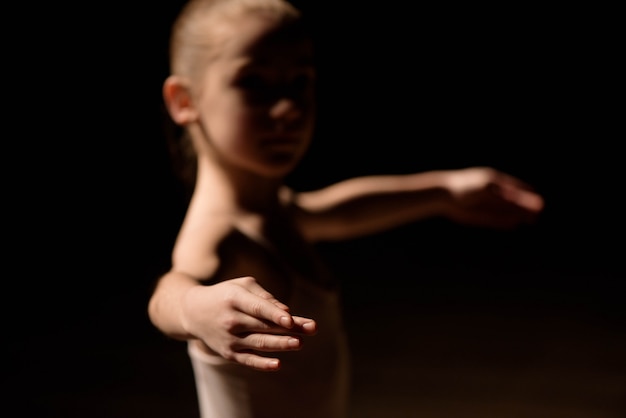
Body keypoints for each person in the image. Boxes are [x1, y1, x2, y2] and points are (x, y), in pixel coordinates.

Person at [147, 0, 545, 416]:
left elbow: (336, 209)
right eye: (254, 82)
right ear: (183, 100)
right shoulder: (219, 234)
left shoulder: (272, 212)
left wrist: (444, 190)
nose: (288, 109)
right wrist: (192, 308)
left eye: (300, 81)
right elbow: (172, 289)